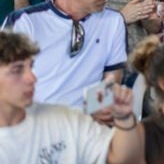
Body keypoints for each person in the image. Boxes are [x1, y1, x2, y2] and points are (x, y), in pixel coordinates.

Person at [3, 0, 126, 108]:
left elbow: (112, 80)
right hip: (33, 125)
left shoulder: (113, 22)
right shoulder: (25, 22)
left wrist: (93, 114)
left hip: (89, 127)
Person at [0, 31, 142, 162]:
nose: (32, 78)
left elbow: (121, 158)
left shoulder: (63, 117)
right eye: (17, 70)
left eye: (31, 67)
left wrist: (124, 118)